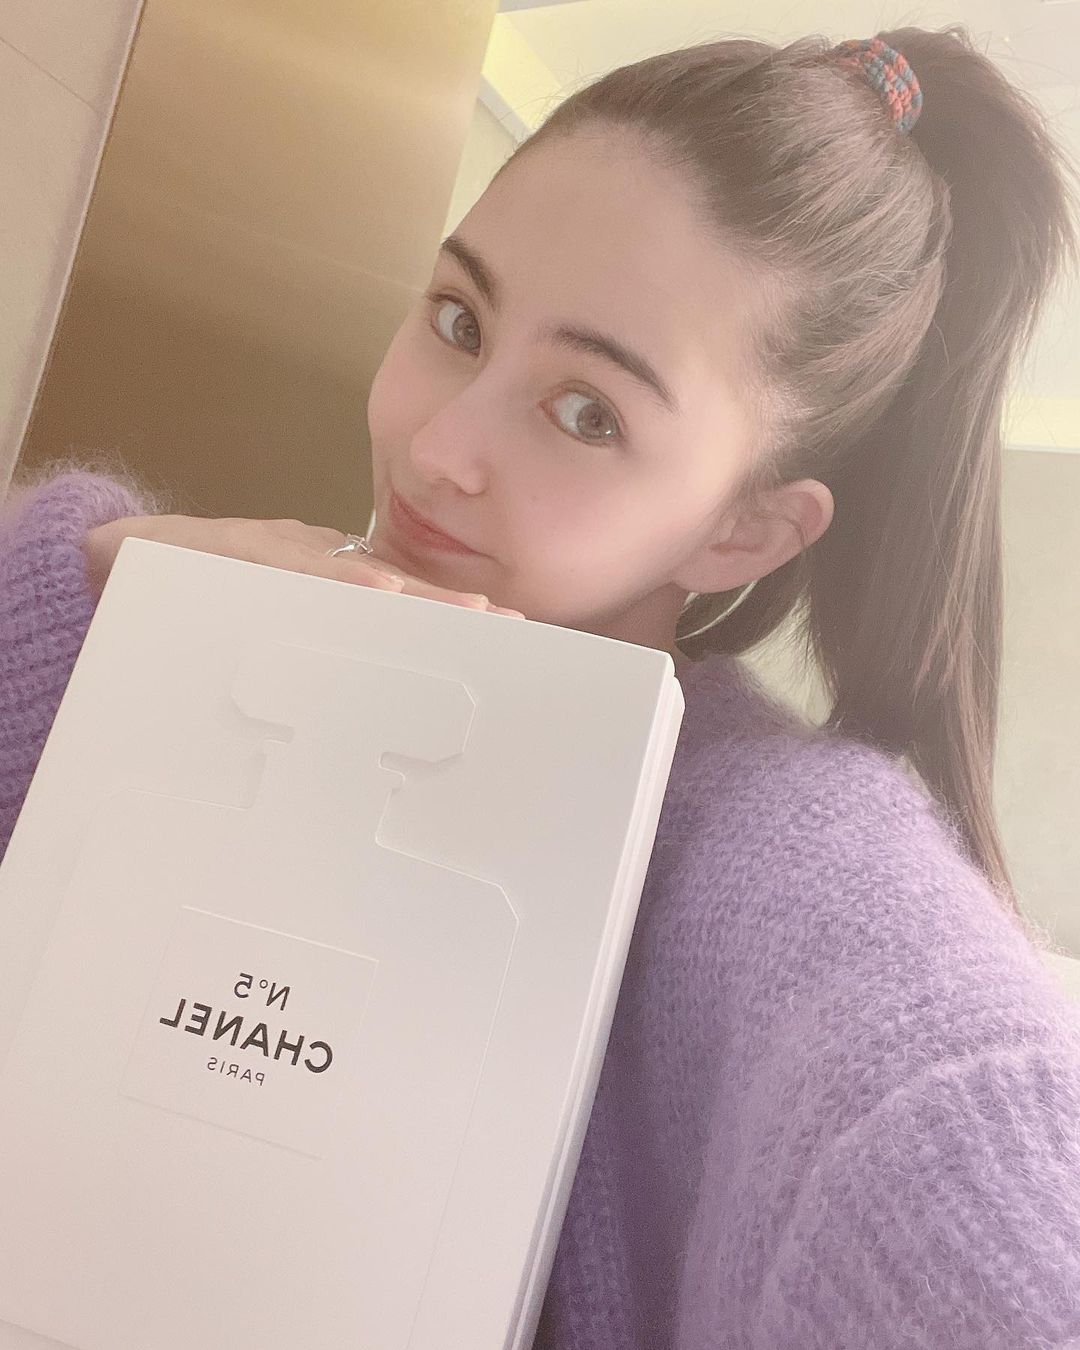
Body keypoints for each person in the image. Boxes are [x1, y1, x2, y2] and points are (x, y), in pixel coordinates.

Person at [2, 24, 1080, 1348]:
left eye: (588, 413)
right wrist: (77, 586)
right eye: (459, 320)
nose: (436, 448)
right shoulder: (187, 626)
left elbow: (960, 1132)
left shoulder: (781, 860)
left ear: (741, 530)